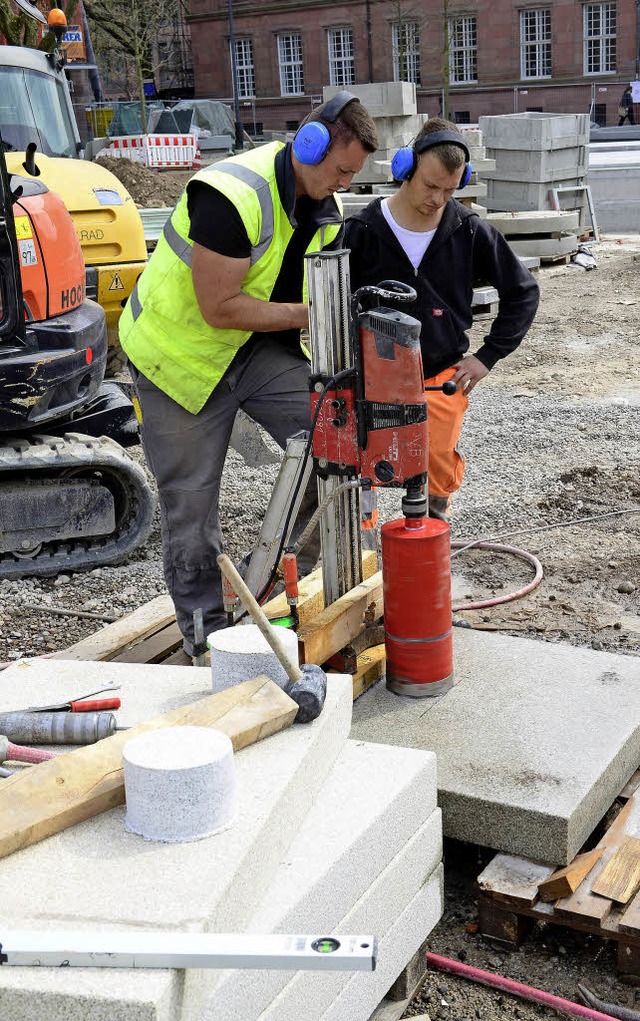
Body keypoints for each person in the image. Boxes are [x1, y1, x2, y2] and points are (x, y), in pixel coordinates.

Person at [119, 93, 378, 658]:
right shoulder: (229, 195)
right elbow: (221, 308)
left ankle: (299, 591)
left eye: (353, 175)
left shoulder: (323, 211)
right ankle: (206, 640)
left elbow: (294, 296)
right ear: (309, 145)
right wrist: (316, 313)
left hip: (251, 348)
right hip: (177, 355)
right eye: (341, 170)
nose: (344, 184)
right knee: (190, 503)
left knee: (333, 441)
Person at [344, 118, 539, 521]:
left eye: (450, 190)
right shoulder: (362, 230)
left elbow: (523, 292)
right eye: (430, 186)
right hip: (372, 374)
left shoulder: (468, 232)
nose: (438, 198)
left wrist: (487, 356)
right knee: (364, 462)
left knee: (434, 459)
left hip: (440, 375)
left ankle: (432, 526)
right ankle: (362, 542)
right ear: (406, 169)